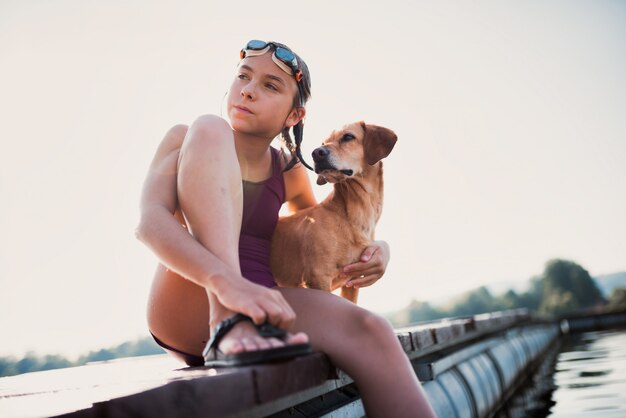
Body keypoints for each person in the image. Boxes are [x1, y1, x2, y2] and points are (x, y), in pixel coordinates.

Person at [136, 40, 436, 417]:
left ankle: (241, 322)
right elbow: (149, 223)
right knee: (210, 127)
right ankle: (226, 321)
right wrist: (228, 284)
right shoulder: (188, 137)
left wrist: (379, 250)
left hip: (265, 304)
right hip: (189, 305)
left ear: (294, 116)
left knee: (373, 332)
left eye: (270, 85)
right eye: (243, 77)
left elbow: (323, 232)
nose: (248, 89)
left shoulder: (288, 169)